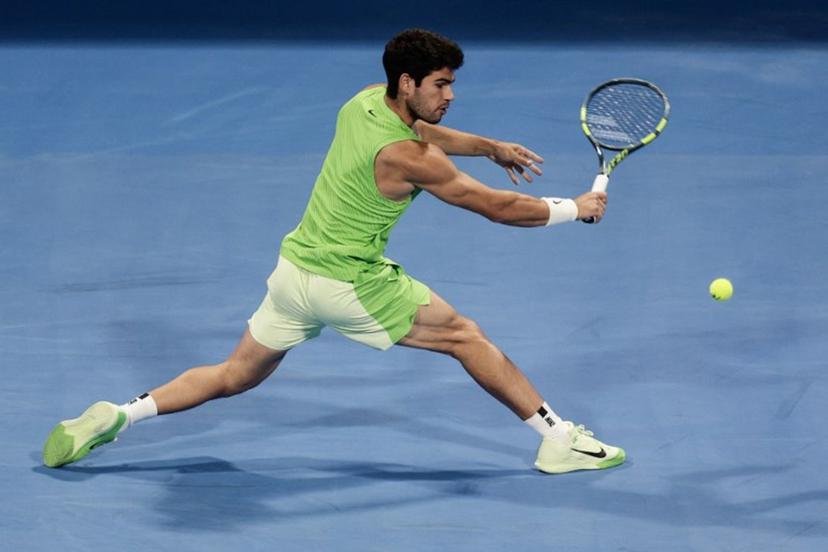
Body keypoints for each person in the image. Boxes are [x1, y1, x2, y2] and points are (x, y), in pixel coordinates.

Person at [43, 29, 622, 475]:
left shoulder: (365, 101)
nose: (450, 95)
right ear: (407, 83)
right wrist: (574, 208)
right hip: (348, 285)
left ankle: (119, 415)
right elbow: (496, 208)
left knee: (235, 374)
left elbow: (428, 133)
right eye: (440, 84)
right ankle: (557, 441)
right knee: (465, 337)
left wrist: (488, 146)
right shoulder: (413, 161)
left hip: (293, 274)